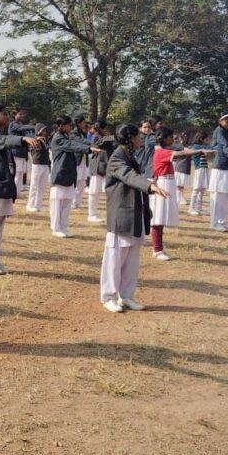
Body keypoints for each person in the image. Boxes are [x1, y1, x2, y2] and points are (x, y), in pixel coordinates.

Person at [100, 124, 169, 313]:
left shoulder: (131, 156)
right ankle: (109, 297)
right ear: (130, 139)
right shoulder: (117, 158)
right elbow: (129, 176)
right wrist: (150, 186)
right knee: (115, 259)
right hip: (121, 214)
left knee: (131, 260)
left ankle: (126, 295)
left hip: (134, 214)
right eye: (138, 136)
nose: (141, 139)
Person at [0, 104, 40, 275]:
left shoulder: (2, 133)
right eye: (4, 114)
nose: (7, 117)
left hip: (4, 184)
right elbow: (3, 142)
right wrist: (22, 139)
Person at [150, 127, 211, 260]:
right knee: (157, 219)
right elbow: (181, 154)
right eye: (171, 137)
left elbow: (182, 151)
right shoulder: (161, 151)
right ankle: (157, 249)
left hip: (167, 183)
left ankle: (158, 248)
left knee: (160, 219)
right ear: (164, 139)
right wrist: (199, 151)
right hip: (162, 184)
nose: (173, 139)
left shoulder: (164, 150)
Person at [49, 115, 95, 237]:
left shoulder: (66, 136)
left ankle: (63, 227)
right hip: (60, 173)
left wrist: (90, 145)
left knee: (67, 202)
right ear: (61, 126)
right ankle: (56, 228)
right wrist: (89, 149)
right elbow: (72, 146)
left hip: (68, 173)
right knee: (57, 202)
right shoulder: (58, 138)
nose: (71, 127)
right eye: (69, 125)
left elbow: (76, 142)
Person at [208, 113, 228, 232]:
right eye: (226, 121)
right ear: (220, 121)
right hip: (220, 166)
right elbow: (226, 146)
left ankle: (223, 221)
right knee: (217, 195)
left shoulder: (226, 131)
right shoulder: (219, 131)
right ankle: (214, 222)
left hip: (226, 166)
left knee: (226, 195)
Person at [86, 121, 111, 223]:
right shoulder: (97, 137)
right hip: (97, 168)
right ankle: (92, 214)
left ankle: (95, 214)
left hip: (103, 167)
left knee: (104, 192)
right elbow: (101, 142)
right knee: (94, 192)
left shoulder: (102, 136)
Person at [8, 108, 35, 196]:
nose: (21, 116)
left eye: (22, 114)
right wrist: (33, 126)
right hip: (16, 151)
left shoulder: (20, 124)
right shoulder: (13, 124)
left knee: (20, 173)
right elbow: (21, 128)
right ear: (15, 115)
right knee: (16, 173)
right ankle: (12, 192)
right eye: (20, 114)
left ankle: (17, 192)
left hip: (22, 152)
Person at [25, 123, 51, 213]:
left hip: (45, 164)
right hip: (37, 165)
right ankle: (30, 204)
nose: (44, 132)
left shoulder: (45, 140)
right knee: (34, 186)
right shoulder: (34, 140)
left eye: (45, 130)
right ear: (38, 131)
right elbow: (33, 150)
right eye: (43, 130)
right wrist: (37, 140)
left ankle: (38, 205)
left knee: (42, 186)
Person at [188, 129, 213, 216]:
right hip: (199, 169)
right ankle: (191, 208)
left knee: (202, 189)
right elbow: (209, 150)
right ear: (202, 139)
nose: (207, 141)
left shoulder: (203, 146)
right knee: (196, 189)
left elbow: (211, 149)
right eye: (206, 139)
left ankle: (199, 208)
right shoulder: (196, 147)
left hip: (205, 169)